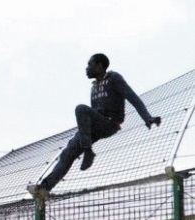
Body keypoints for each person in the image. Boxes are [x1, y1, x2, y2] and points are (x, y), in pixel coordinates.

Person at [29, 53, 161, 193]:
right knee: (68, 153)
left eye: (89, 65)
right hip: (93, 126)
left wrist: (147, 117)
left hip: (109, 123)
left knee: (80, 109)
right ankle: (45, 187)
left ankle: (88, 151)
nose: (87, 68)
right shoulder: (94, 86)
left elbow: (132, 97)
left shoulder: (113, 78)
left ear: (99, 66)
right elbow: (92, 112)